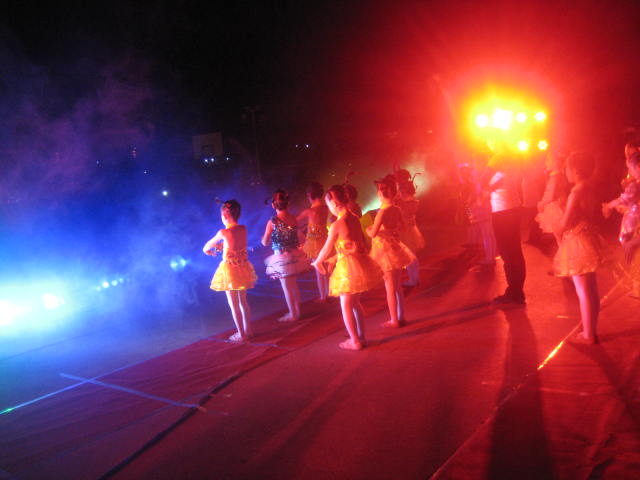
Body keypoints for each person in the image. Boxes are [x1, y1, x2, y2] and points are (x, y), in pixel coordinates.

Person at [312, 185, 381, 350]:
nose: (329, 208)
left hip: (347, 269)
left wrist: (317, 262)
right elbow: (353, 245)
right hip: (360, 264)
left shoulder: (338, 224)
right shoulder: (355, 219)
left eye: (328, 205)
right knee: (356, 303)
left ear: (334, 203)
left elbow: (326, 248)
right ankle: (361, 337)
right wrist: (334, 258)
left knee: (346, 305)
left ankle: (354, 341)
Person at [554, 152, 602, 344]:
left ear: (575, 169)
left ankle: (588, 335)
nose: (565, 171)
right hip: (589, 237)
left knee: (582, 291)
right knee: (592, 289)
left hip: (577, 242)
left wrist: (554, 225)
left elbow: (566, 222)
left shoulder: (576, 191)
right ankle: (591, 330)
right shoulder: (591, 187)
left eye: (567, 168)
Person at [203, 200, 257, 342]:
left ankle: (241, 334)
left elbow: (206, 246)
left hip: (230, 271)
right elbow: (233, 244)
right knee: (243, 302)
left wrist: (209, 251)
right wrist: (223, 245)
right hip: (243, 268)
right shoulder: (243, 229)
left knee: (234, 304)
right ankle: (248, 330)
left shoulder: (223, 232)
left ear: (225, 215)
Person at [367, 175, 416, 327]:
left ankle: (394, 320)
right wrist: (391, 231)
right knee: (397, 286)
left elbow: (373, 233)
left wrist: (369, 229)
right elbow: (403, 228)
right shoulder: (396, 209)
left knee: (390, 288)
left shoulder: (382, 212)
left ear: (380, 194)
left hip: (384, 251)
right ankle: (400, 316)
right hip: (395, 247)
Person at [485, 144, 527, 304]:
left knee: (508, 253)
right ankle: (517, 291)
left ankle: (514, 292)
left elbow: (483, 180)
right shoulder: (513, 158)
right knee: (515, 252)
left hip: (503, 211)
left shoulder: (498, 157)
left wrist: (483, 187)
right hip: (512, 207)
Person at [262, 189, 310, 322]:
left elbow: (265, 242)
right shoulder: (293, 218)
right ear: (288, 204)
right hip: (294, 255)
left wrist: (268, 238)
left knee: (287, 287)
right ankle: (297, 311)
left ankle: (293, 314)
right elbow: (296, 236)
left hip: (281, 258)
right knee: (294, 286)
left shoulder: (273, 221)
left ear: (273, 205)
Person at [298, 182, 330, 302]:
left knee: (319, 270)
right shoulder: (325, 208)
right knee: (325, 269)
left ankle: (323, 296)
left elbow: (294, 220)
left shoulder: (310, 211)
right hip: (324, 240)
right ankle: (328, 293)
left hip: (314, 243)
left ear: (309, 195)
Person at [536, 150, 570, 248]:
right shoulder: (561, 175)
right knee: (564, 236)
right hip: (562, 204)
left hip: (556, 208)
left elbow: (551, 196)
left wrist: (541, 204)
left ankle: (565, 255)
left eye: (547, 160)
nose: (545, 163)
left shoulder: (555, 177)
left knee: (560, 238)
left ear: (554, 162)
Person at [395, 176, 426, 285]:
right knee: (412, 255)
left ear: (405, 190)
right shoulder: (413, 201)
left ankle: (413, 279)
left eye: (401, 189)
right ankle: (414, 278)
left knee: (409, 256)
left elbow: (402, 215)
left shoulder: (406, 202)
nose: (399, 192)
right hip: (411, 229)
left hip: (406, 230)